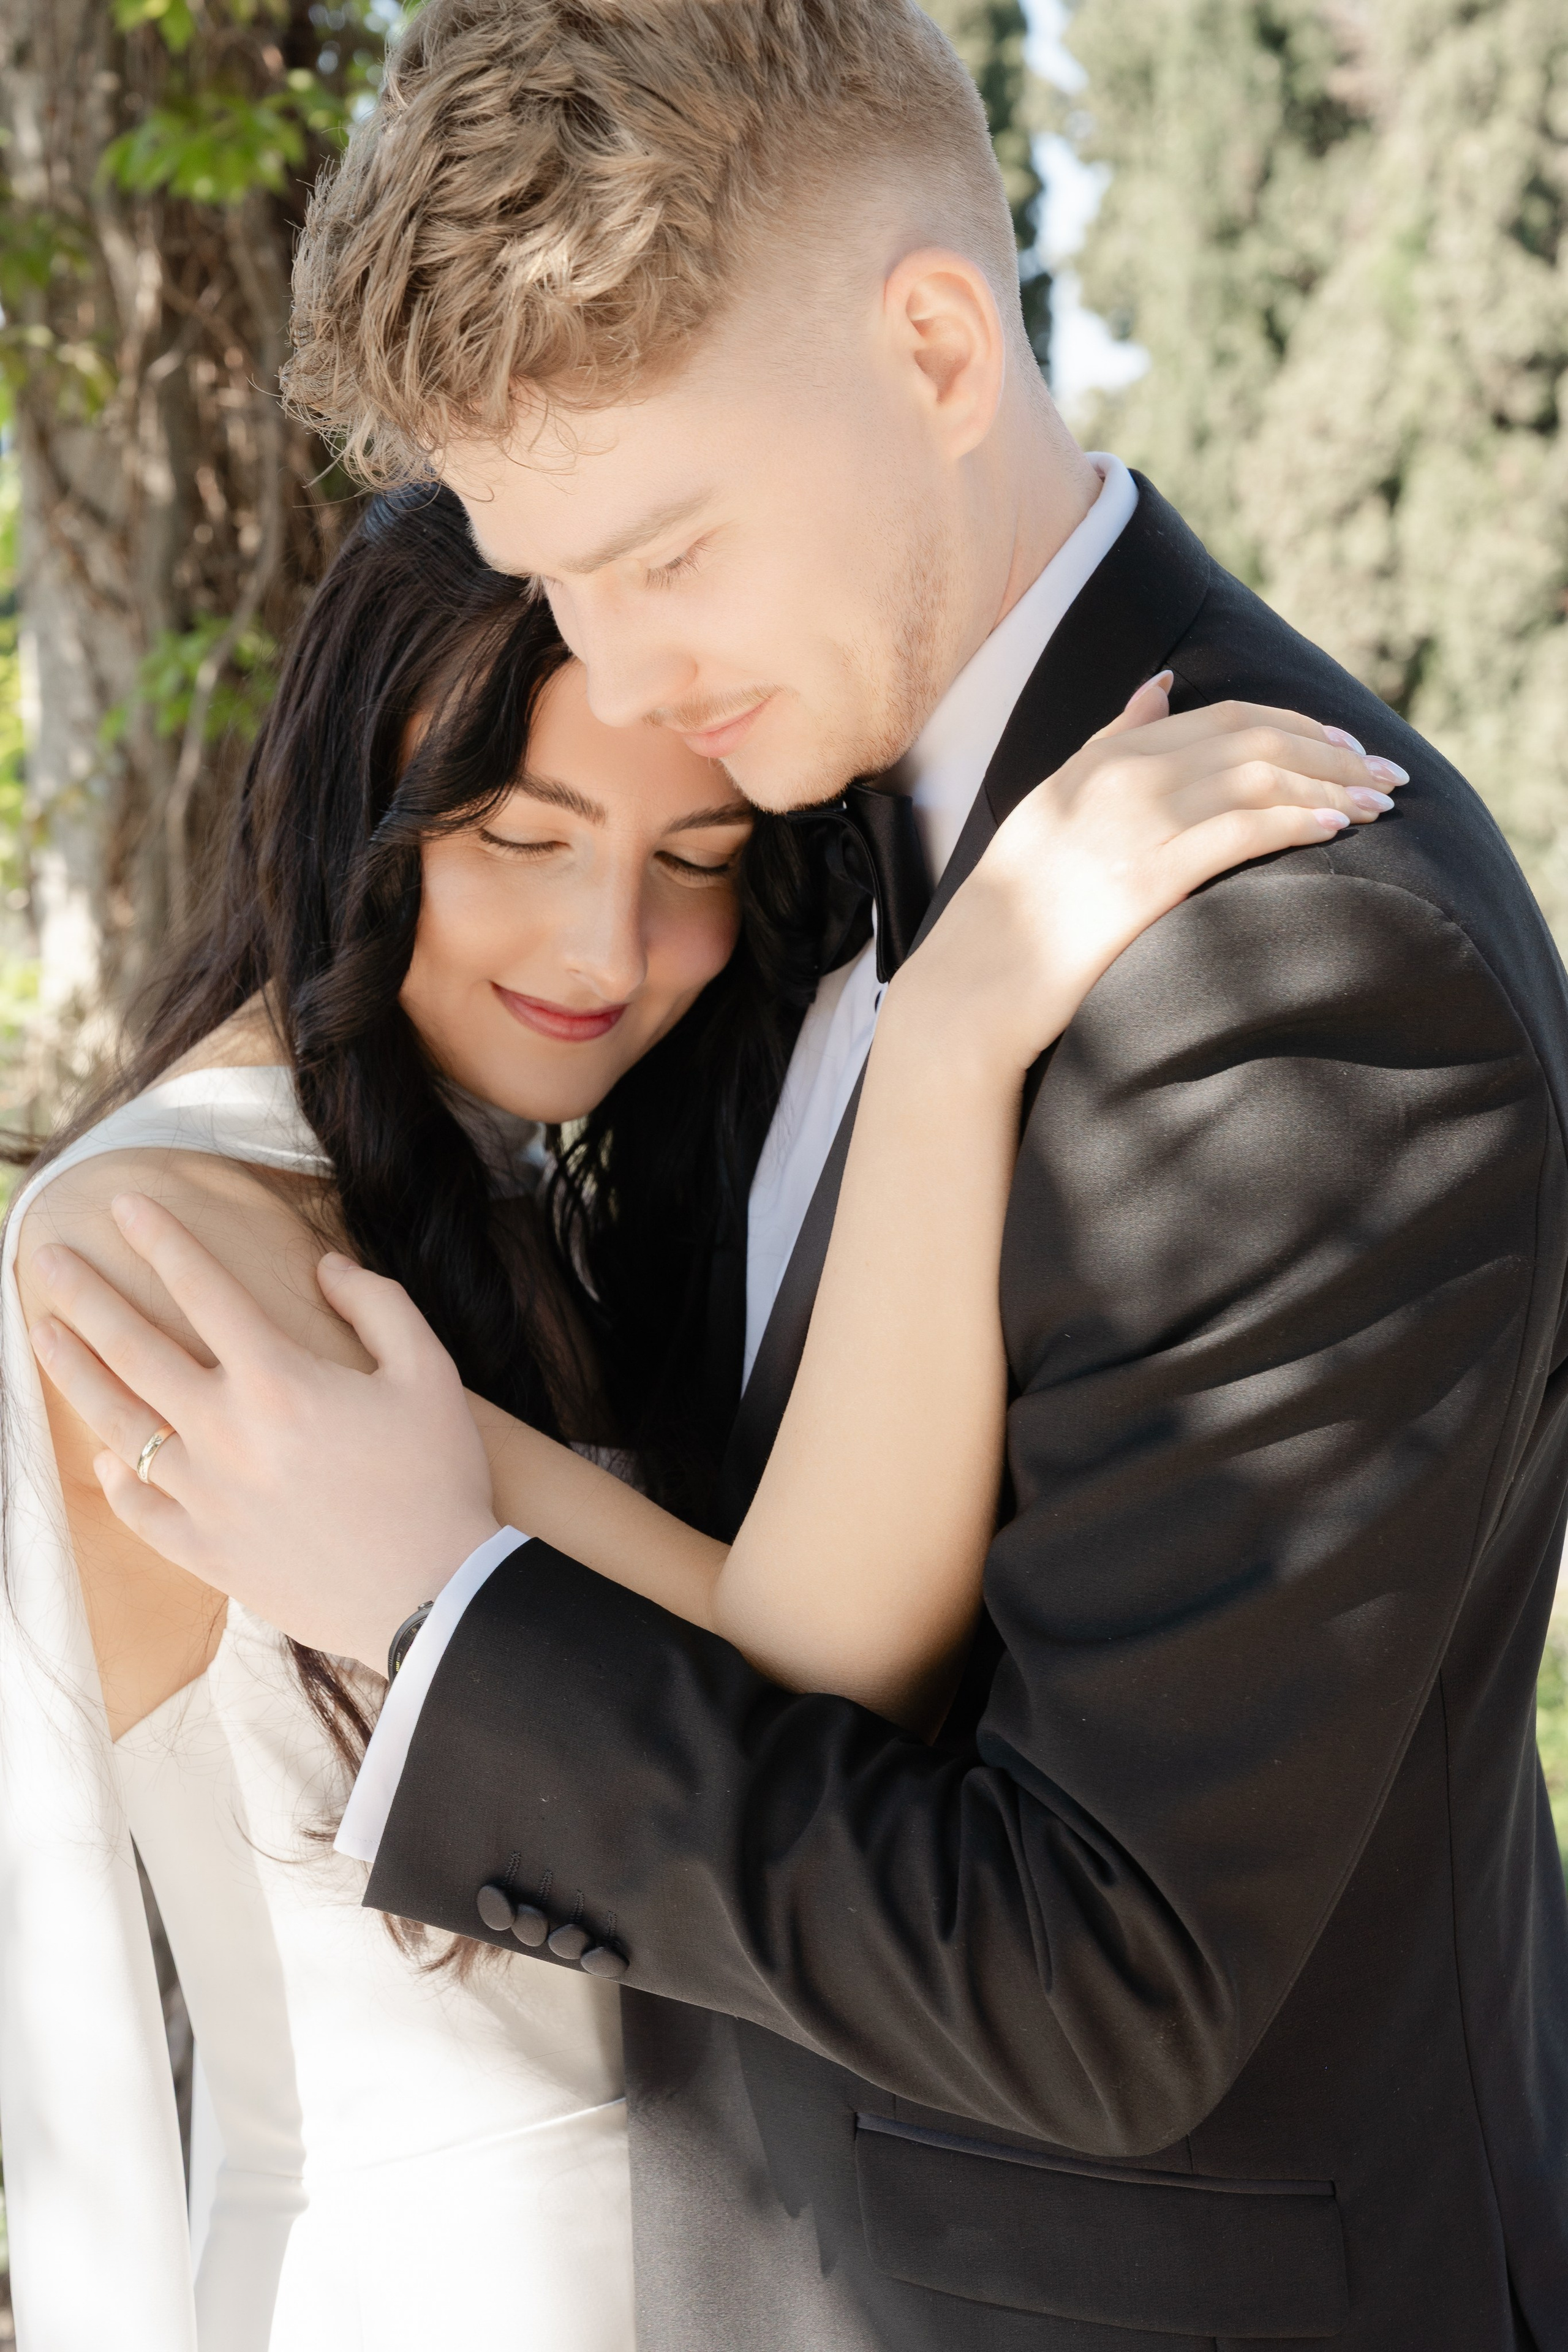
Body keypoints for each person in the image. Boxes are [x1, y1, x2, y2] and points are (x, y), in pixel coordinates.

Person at [29, 1, 1568, 2346]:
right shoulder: (780, 884)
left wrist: (445, 1606)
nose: (617, 682)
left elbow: (1101, 1985)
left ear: (939, 341)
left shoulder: (1290, 976)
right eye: (557, 591)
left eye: (662, 550)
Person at [0, 481, 1357, 2350]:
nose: (605, 948)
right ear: (343, 812)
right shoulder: (167, 1246)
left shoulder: (463, 1201)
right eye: (515, 835)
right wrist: (958, 1035)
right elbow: (801, 1661)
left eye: (698, 858)